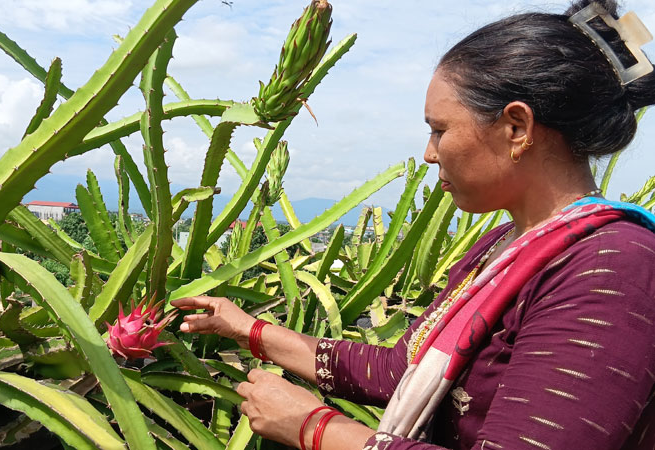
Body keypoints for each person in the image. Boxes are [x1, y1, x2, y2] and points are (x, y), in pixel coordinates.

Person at [170, 1, 655, 449]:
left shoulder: (611, 268)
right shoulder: (502, 248)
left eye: (439, 130)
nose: (428, 153)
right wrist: (245, 328)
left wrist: (317, 429)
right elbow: (400, 369)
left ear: (517, 128)